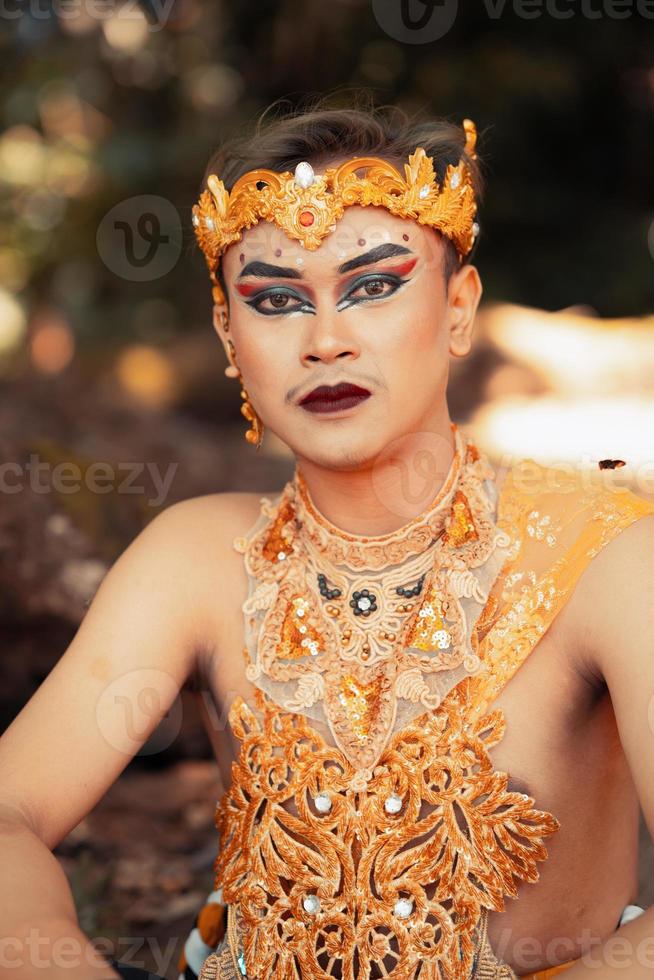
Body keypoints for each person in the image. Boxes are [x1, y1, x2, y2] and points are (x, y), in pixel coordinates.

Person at [0, 96, 652, 980]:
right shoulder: (196, 557)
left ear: (459, 308)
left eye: (375, 286)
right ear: (230, 337)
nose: (324, 342)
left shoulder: (607, 553)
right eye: (274, 302)